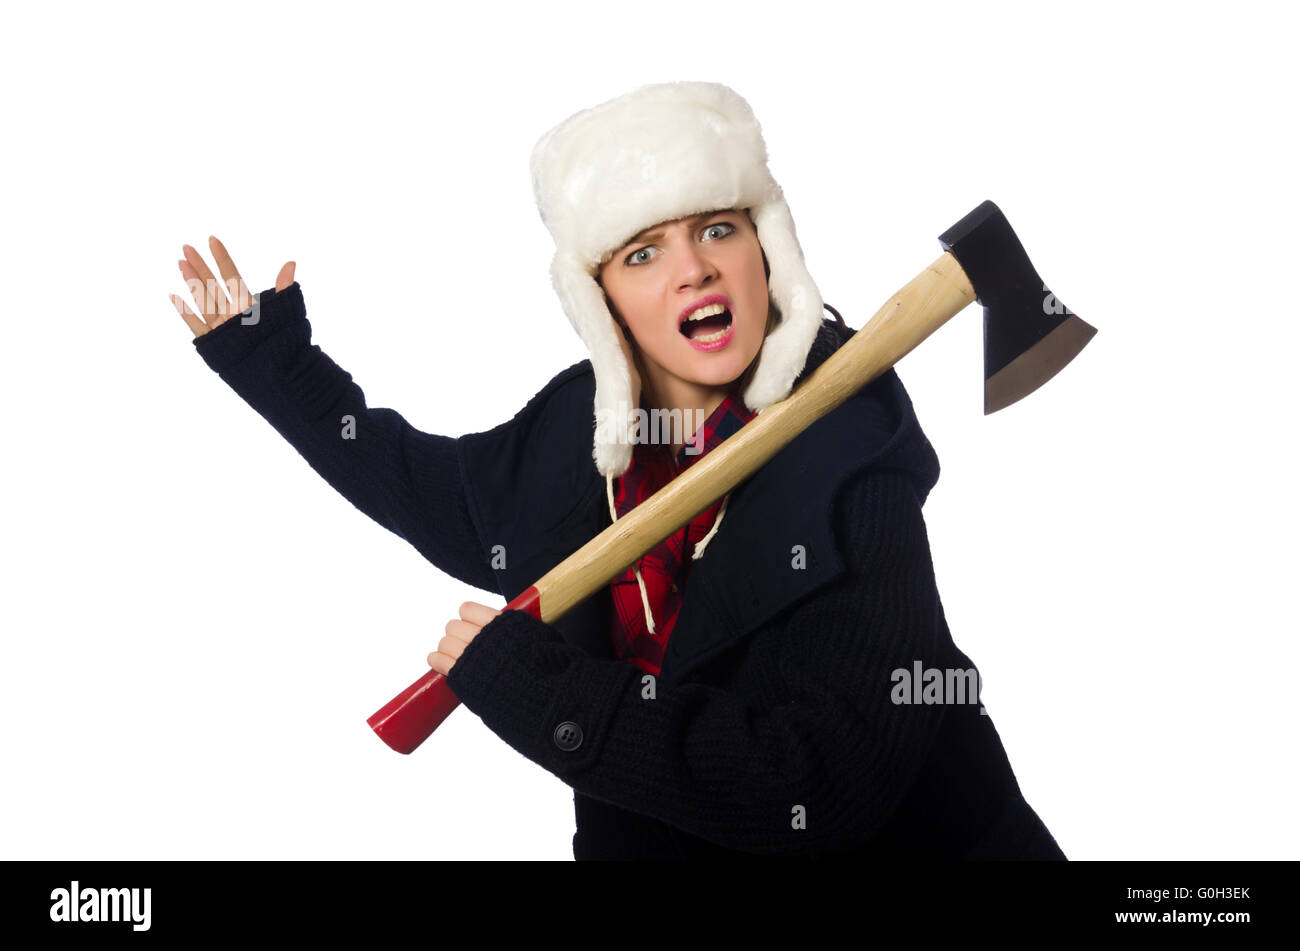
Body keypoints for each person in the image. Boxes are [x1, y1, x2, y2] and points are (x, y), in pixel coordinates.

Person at [171, 81, 1066, 860]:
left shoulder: (851, 463)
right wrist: (274, 365)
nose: (694, 270)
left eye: (718, 227)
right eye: (643, 252)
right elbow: (439, 497)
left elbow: (820, 788)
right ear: (601, 301)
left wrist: (543, 694)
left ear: (767, 253)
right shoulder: (583, 429)